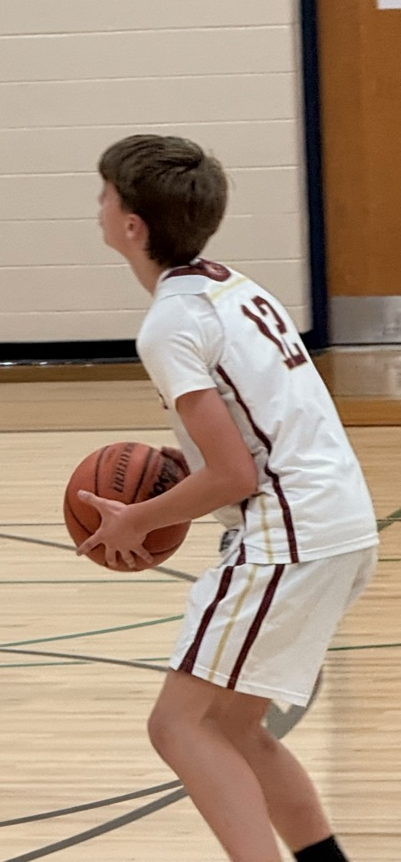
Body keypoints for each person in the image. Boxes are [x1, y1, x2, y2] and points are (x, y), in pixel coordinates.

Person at [76, 134, 378, 862]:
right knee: (238, 728)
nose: (99, 204)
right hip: (341, 522)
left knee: (178, 728)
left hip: (288, 536)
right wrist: (186, 467)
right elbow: (255, 431)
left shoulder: (170, 323)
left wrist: (137, 518)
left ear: (131, 226)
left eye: (105, 194)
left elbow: (237, 476)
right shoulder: (232, 286)